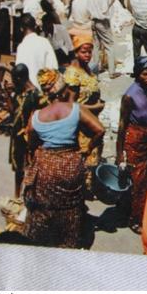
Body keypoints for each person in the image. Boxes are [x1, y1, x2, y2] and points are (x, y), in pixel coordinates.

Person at [22, 68, 104, 248]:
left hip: (46, 168)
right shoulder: (76, 110)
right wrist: (87, 149)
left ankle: (41, 240)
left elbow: (31, 144)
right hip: (71, 164)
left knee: (44, 207)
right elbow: (100, 130)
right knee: (71, 207)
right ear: (63, 87)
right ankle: (67, 241)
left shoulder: (36, 116)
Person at [116, 56, 147, 233]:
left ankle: (145, 214)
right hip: (135, 140)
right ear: (137, 74)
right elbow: (122, 125)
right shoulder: (129, 95)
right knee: (137, 180)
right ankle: (135, 219)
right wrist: (119, 153)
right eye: (145, 74)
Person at [63, 33, 106, 194]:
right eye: (83, 52)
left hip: (91, 122)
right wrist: (95, 107)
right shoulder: (73, 74)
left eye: (89, 52)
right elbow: (72, 106)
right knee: (81, 163)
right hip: (81, 126)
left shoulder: (87, 70)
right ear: (75, 52)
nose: (87, 55)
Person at [5, 64, 46, 198]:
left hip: (30, 138)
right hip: (17, 137)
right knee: (18, 169)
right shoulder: (19, 92)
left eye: (14, 79)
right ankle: (17, 196)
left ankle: (30, 196)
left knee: (31, 167)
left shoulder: (37, 96)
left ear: (19, 78)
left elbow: (43, 118)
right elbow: (12, 112)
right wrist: (7, 94)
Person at [87, 0, 120, 79]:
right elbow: (105, 8)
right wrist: (109, 6)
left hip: (93, 21)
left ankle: (96, 71)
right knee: (109, 45)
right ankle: (111, 71)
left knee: (96, 47)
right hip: (102, 21)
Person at [15, 13, 58, 90]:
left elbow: (19, 71)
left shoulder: (21, 47)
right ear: (35, 26)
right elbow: (53, 67)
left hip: (29, 91)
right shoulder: (44, 42)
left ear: (21, 28)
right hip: (45, 90)